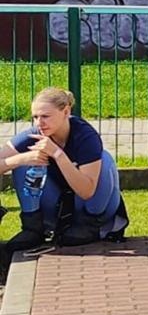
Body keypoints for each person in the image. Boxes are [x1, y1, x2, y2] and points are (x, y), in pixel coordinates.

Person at [2, 87, 129, 250]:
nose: (39, 123)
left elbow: (87, 191)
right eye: (35, 117)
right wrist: (20, 159)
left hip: (93, 204)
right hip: (56, 202)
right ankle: (33, 227)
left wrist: (57, 154)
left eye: (46, 116)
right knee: (22, 163)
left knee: (105, 159)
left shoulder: (85, 136)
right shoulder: (35, 135)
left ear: (66, 111)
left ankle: (90, 225)